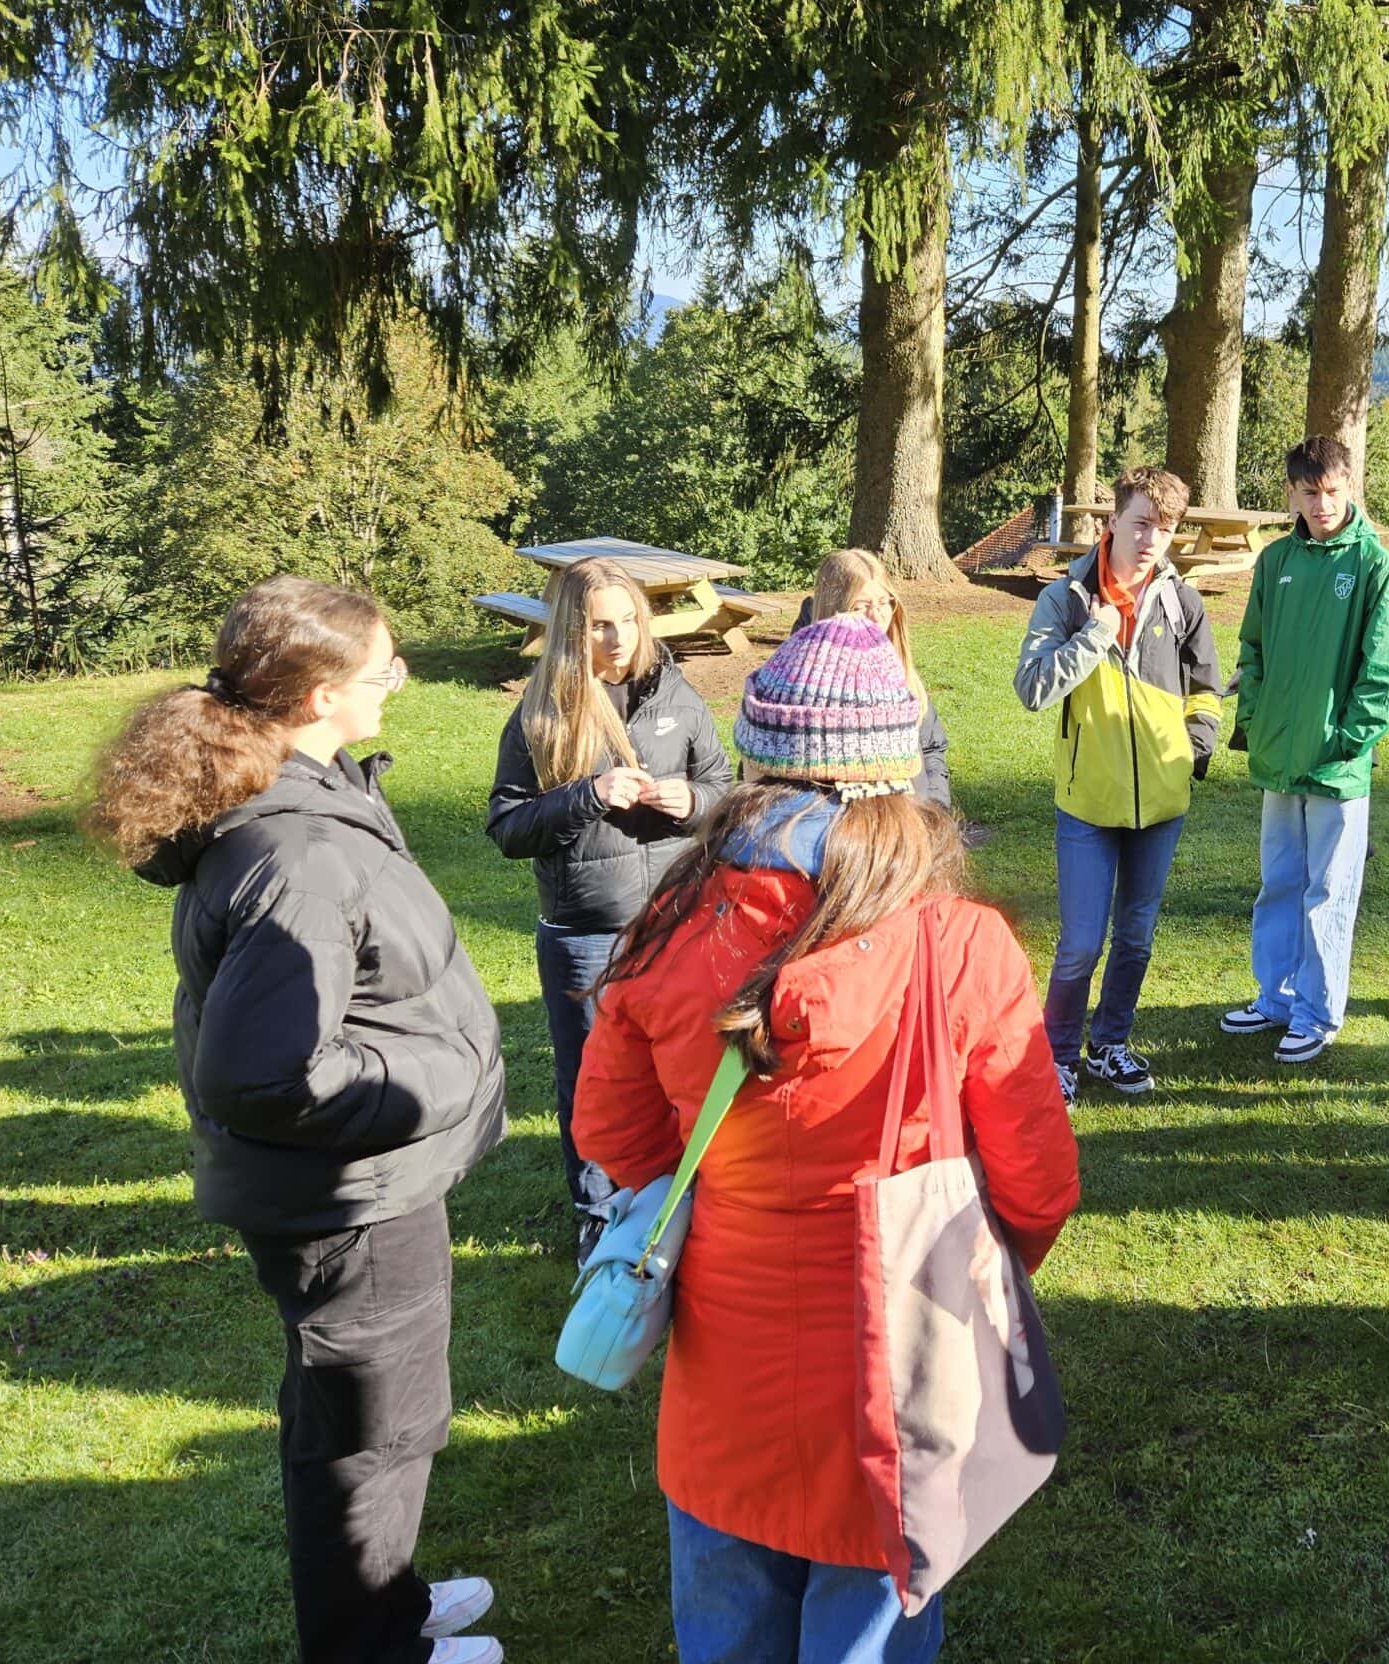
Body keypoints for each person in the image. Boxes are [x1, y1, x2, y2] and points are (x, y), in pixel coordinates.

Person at [572, 616, 1079, 1664]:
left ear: (757, 765)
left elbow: (613, 1136)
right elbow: (1037, 1178)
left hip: (726, 1363)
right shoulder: (959, 942)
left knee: (726, 1621)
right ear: (895, 778)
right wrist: (987, 1259)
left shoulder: (666, 923)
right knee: (870, 1623)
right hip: (897, 1365)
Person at [87, 578, 508, 1664]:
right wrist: (437, 1081)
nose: (401, 679)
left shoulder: (310, 794)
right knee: (368, 1430)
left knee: (370, 1417)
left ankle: (386, 1604)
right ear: (320, 696)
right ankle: (370, 1647)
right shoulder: (298, 854)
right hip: (347, 1199)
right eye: (383, 669)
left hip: (361, 1189)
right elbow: (264, 1074)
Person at [487, 557, 734, 1260]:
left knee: (681, 1071)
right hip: (585, 935)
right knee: (595, 1086)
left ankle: (681, 1199)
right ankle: (597, 1217)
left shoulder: (678, 696)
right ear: (572, 630)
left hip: (675, 927)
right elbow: (506, 827)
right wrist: (586, 796)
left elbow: (722, 785)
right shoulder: (541, 715)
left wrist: (694, 803)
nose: (619, 638)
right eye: (600, 626)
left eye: (628, 621)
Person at [1013, 464, 1224, 1101]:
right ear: (1112, 523)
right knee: (1080, 943)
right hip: (1087, 804)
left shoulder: (1183, 601)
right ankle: (1057, 1056)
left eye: (1164, 529)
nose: (1150, 539)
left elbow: (1207, 690)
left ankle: (1110, 1045)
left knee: (1136, 936)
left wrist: (1193, 751)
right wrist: (1097, 633)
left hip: (1162, 804)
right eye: (1140, 524)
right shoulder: (1066, 599)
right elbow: (1031, 689)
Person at [1219, 434, 1389, 1065]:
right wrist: (1256, 718)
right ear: (1291, 494)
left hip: (1337, 767)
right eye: (1309, 492)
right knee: (1279, 883)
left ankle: (1318, 1011)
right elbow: (1254, 649)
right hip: (1278, 756)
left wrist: (1349, 743)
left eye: (1331, 491)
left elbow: (1381, 672)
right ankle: (1274, 997)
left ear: (1350, 487)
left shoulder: (1378, 567)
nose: (1321, 503)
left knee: (1329, 890)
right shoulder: (1275, 562)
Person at [800, 549, 954, 809]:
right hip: (845, 836)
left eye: (884, 603)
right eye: (861, 607)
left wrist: (934, 809)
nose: (877, 616)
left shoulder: (902, 670)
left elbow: (930, 750)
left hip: (910, 830)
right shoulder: (801, 686)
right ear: (831, 611)